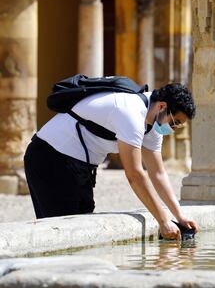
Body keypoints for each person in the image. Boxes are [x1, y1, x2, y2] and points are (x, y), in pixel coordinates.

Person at [24, 82, 198, 240]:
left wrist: (179, 217)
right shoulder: (131, 112)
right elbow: (135, 175)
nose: (173, 129)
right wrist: (162, 220)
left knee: (80, 228)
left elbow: (158, 173)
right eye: (175, 122)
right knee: (61, 233)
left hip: (80, 167)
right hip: (49, 158)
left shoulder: (153, 123)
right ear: (162, 106)